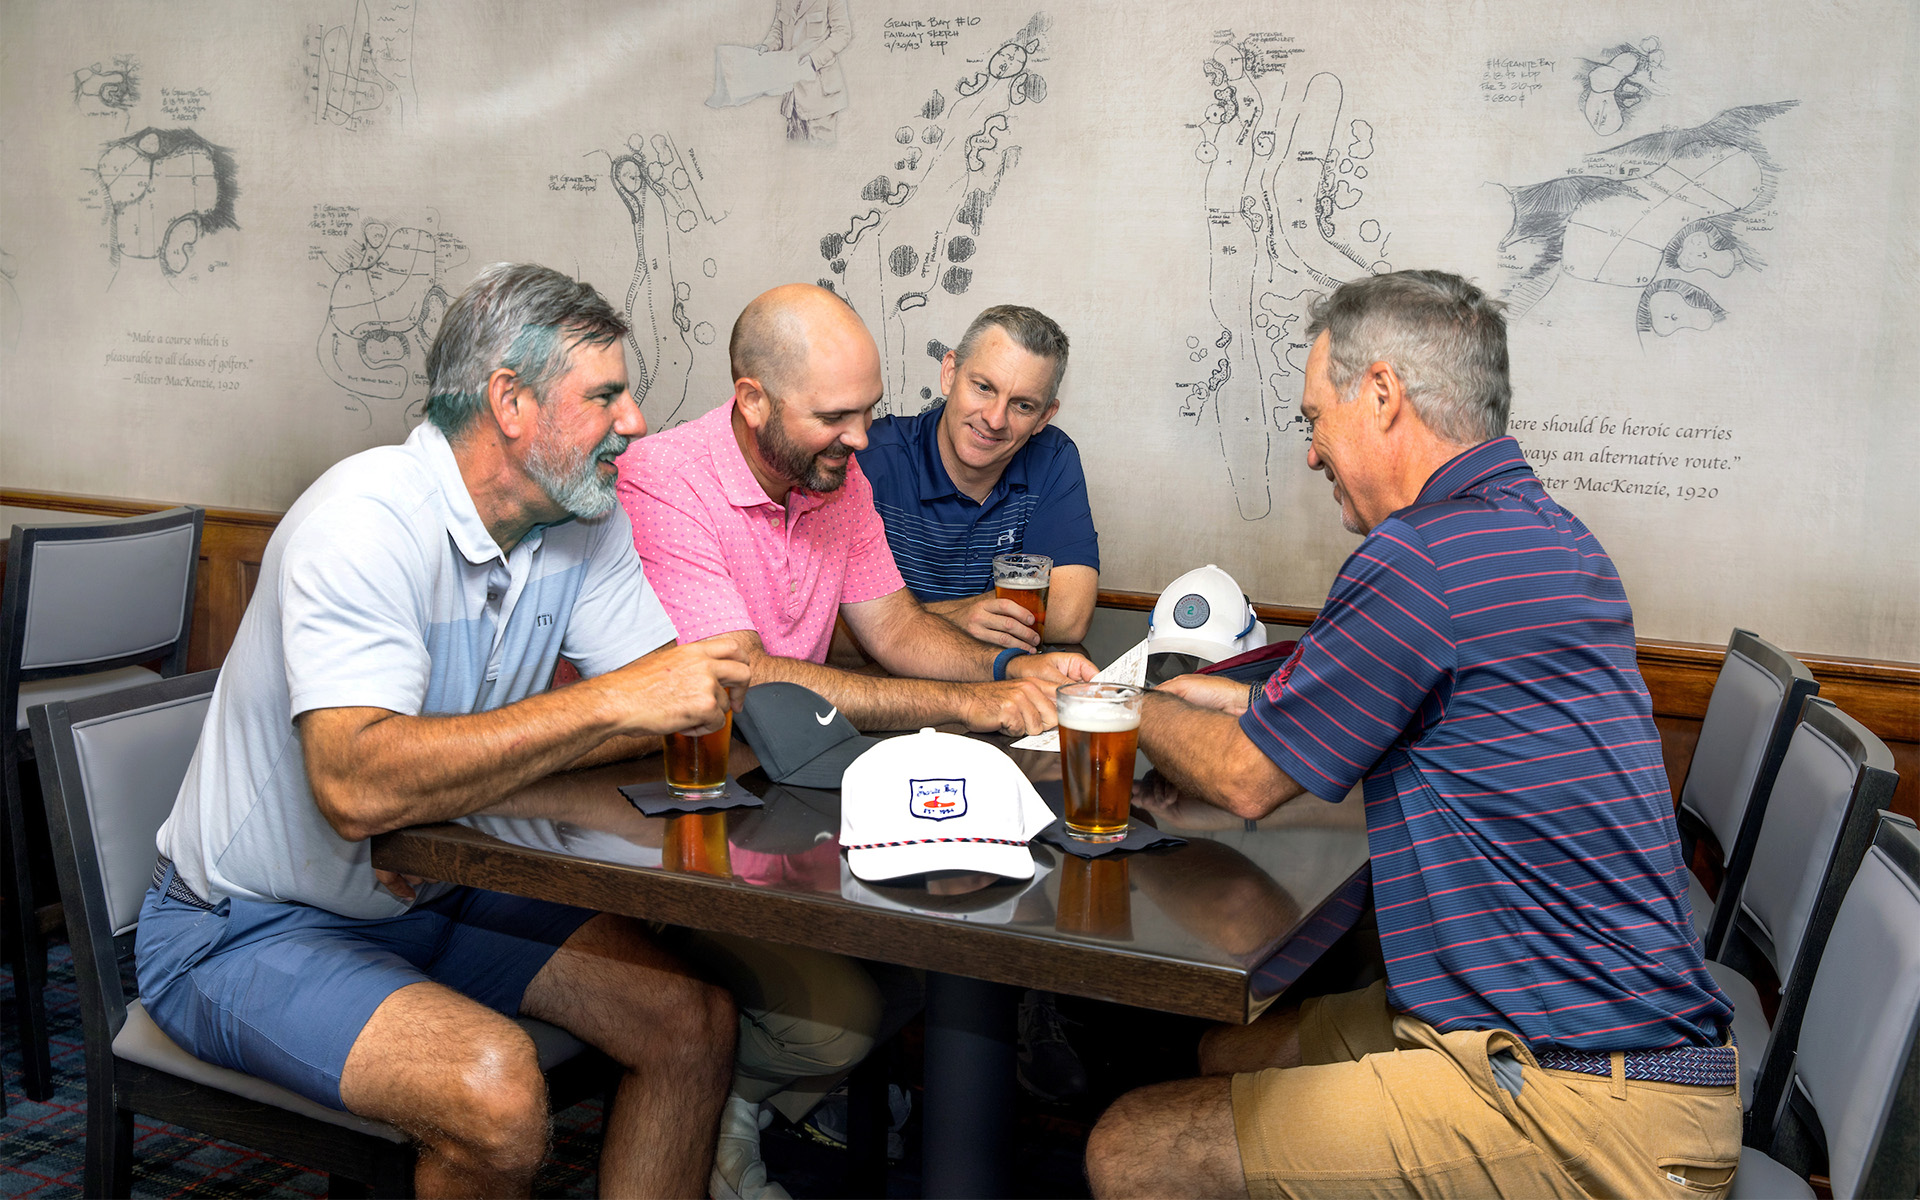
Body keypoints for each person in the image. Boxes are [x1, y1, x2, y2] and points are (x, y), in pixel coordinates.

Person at [1085, 270, 1739, 1199]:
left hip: (1585, 1101)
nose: (1310, 453)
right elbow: (1433, 718)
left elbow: (1243, 780)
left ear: (1383, 394)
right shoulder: (1546, 537)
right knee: (1225, 1051)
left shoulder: (1421, 557)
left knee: (1128, 1148)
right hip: (1591, 1040)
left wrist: (1114, 700)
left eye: (1316, 418)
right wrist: (1247, 706)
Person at [137, 264, 753, 1197]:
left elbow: (672, 705)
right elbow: (357, 787)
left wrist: (452, 786)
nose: (633, 421)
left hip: (434, 891)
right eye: (605, 396)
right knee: (494, 1094)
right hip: (243, 928)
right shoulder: (366, 519)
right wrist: (602, 703)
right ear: (511, 403)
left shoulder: (578, 517)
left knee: (692, 1021)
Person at [617, 282, 1095, 737]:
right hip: (690, 761)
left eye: (867, 410)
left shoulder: (837, 477)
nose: (861, 439)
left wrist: (1012, 668)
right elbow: (740, 676)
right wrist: (964, 701)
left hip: (794, 742)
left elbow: (896, 629)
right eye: (833, 417)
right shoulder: (664, 477)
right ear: (753, 401)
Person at [860, 304, 1099, 649]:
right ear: (949, 373)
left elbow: (1069, 616)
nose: (995, 419)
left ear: (1044, 417)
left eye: (1023, 406)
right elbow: (822, 629)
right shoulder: (867, 458)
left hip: (1000, 680)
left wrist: (905, 621)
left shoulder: (1052, 458)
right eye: (984, 387)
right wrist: (960, 617)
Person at [759, 0, 852, 143]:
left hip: (821, 98)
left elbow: (842, 34)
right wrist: (767, 46)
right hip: (792, 97)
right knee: (796, 154)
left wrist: (813, 59)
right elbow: (778, 29)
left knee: (820, 152)